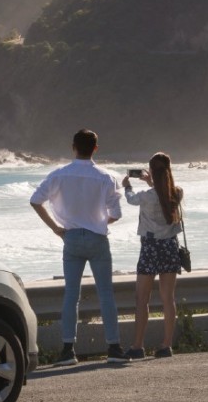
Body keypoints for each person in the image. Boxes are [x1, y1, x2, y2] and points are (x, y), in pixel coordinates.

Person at [30, 129, 126, 366]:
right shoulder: (106, 177)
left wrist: (55, 228)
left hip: (70, 238)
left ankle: (67, 350)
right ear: (95, 148)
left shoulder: (58, 175)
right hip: (97, 238)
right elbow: (117, 213)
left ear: (73, 147)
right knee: (106, 294)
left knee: (71, 295)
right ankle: (113, 347)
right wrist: (100, 222)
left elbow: (35, 200)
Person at [122, 152, 184, 359]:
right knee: (168, 298)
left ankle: (137, 345)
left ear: (151, 170)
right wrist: (152, 181)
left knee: (142, 298)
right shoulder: (176, 193)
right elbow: (163, 191)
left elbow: (131, 199)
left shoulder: (147, 196)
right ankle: (166, 344)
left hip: (150, 247)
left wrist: (127, 185)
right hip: (169, 247)